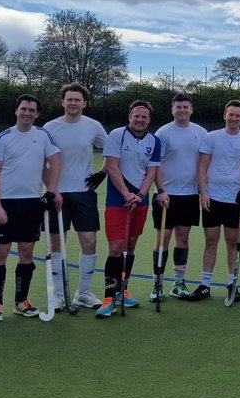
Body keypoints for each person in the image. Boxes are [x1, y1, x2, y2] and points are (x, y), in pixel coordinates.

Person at [0, 94, 61, 321]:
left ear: (37, 114)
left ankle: (21, 301)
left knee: (26, 252)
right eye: (24, 109)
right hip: (7, 202)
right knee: (1, 252)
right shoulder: (4, 137)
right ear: (16, 111)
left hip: (31, 202)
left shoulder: (43, 135)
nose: (27, 113)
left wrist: (51, 190)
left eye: (32, 110)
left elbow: (55, 162)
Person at [42, 83, 108, 310]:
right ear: (62, 101)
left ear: (84, 103)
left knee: (89, 241)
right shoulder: (50, 127)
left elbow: (111, 151)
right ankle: (59, 294)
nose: (73, 103)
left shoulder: (93, 126)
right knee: (57, 244)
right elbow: (43, 161)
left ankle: (83, 292)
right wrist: (52, 189)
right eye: (69, 99)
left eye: (77, 100)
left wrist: (103, 172)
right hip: (57, 194)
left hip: (84, 193)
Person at [97, 100, 162, 317]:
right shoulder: (117, 135)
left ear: (149, 119)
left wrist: (141, 195)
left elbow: (151, 173)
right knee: (116, 247)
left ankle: (122, 290)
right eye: (136, 115)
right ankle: (108, 296)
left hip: (140, 200)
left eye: (144, 116)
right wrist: (126, 194)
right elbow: (112, 167)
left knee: (131, 246)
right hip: (118, 199)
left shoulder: (155, 141)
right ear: (130, 116)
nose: (140, 119)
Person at [194, 100, 240, 301]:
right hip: (212, 198)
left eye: (237, 115)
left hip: (234, 200)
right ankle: (205, 285)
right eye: (231, 114)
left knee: (232, 242)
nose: (233, 118)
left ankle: (232, 283)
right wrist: (203, 192)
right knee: (211, 240)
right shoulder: (211, 137)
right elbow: (202, 166)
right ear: (224, 115)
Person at [154, 92, 209, 300]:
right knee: (162, 240)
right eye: (178, 107)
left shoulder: (201, 133)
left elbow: (205, 163)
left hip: (189, 196)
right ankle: (157, 283)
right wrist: (161, 190)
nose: (182, 110)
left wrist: (202, 190)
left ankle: (178, 283)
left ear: (191, 109)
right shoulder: (163, 132)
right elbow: (155, 164)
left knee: (183, 239)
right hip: (166, 196)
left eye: (185, 107)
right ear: (172, 109)